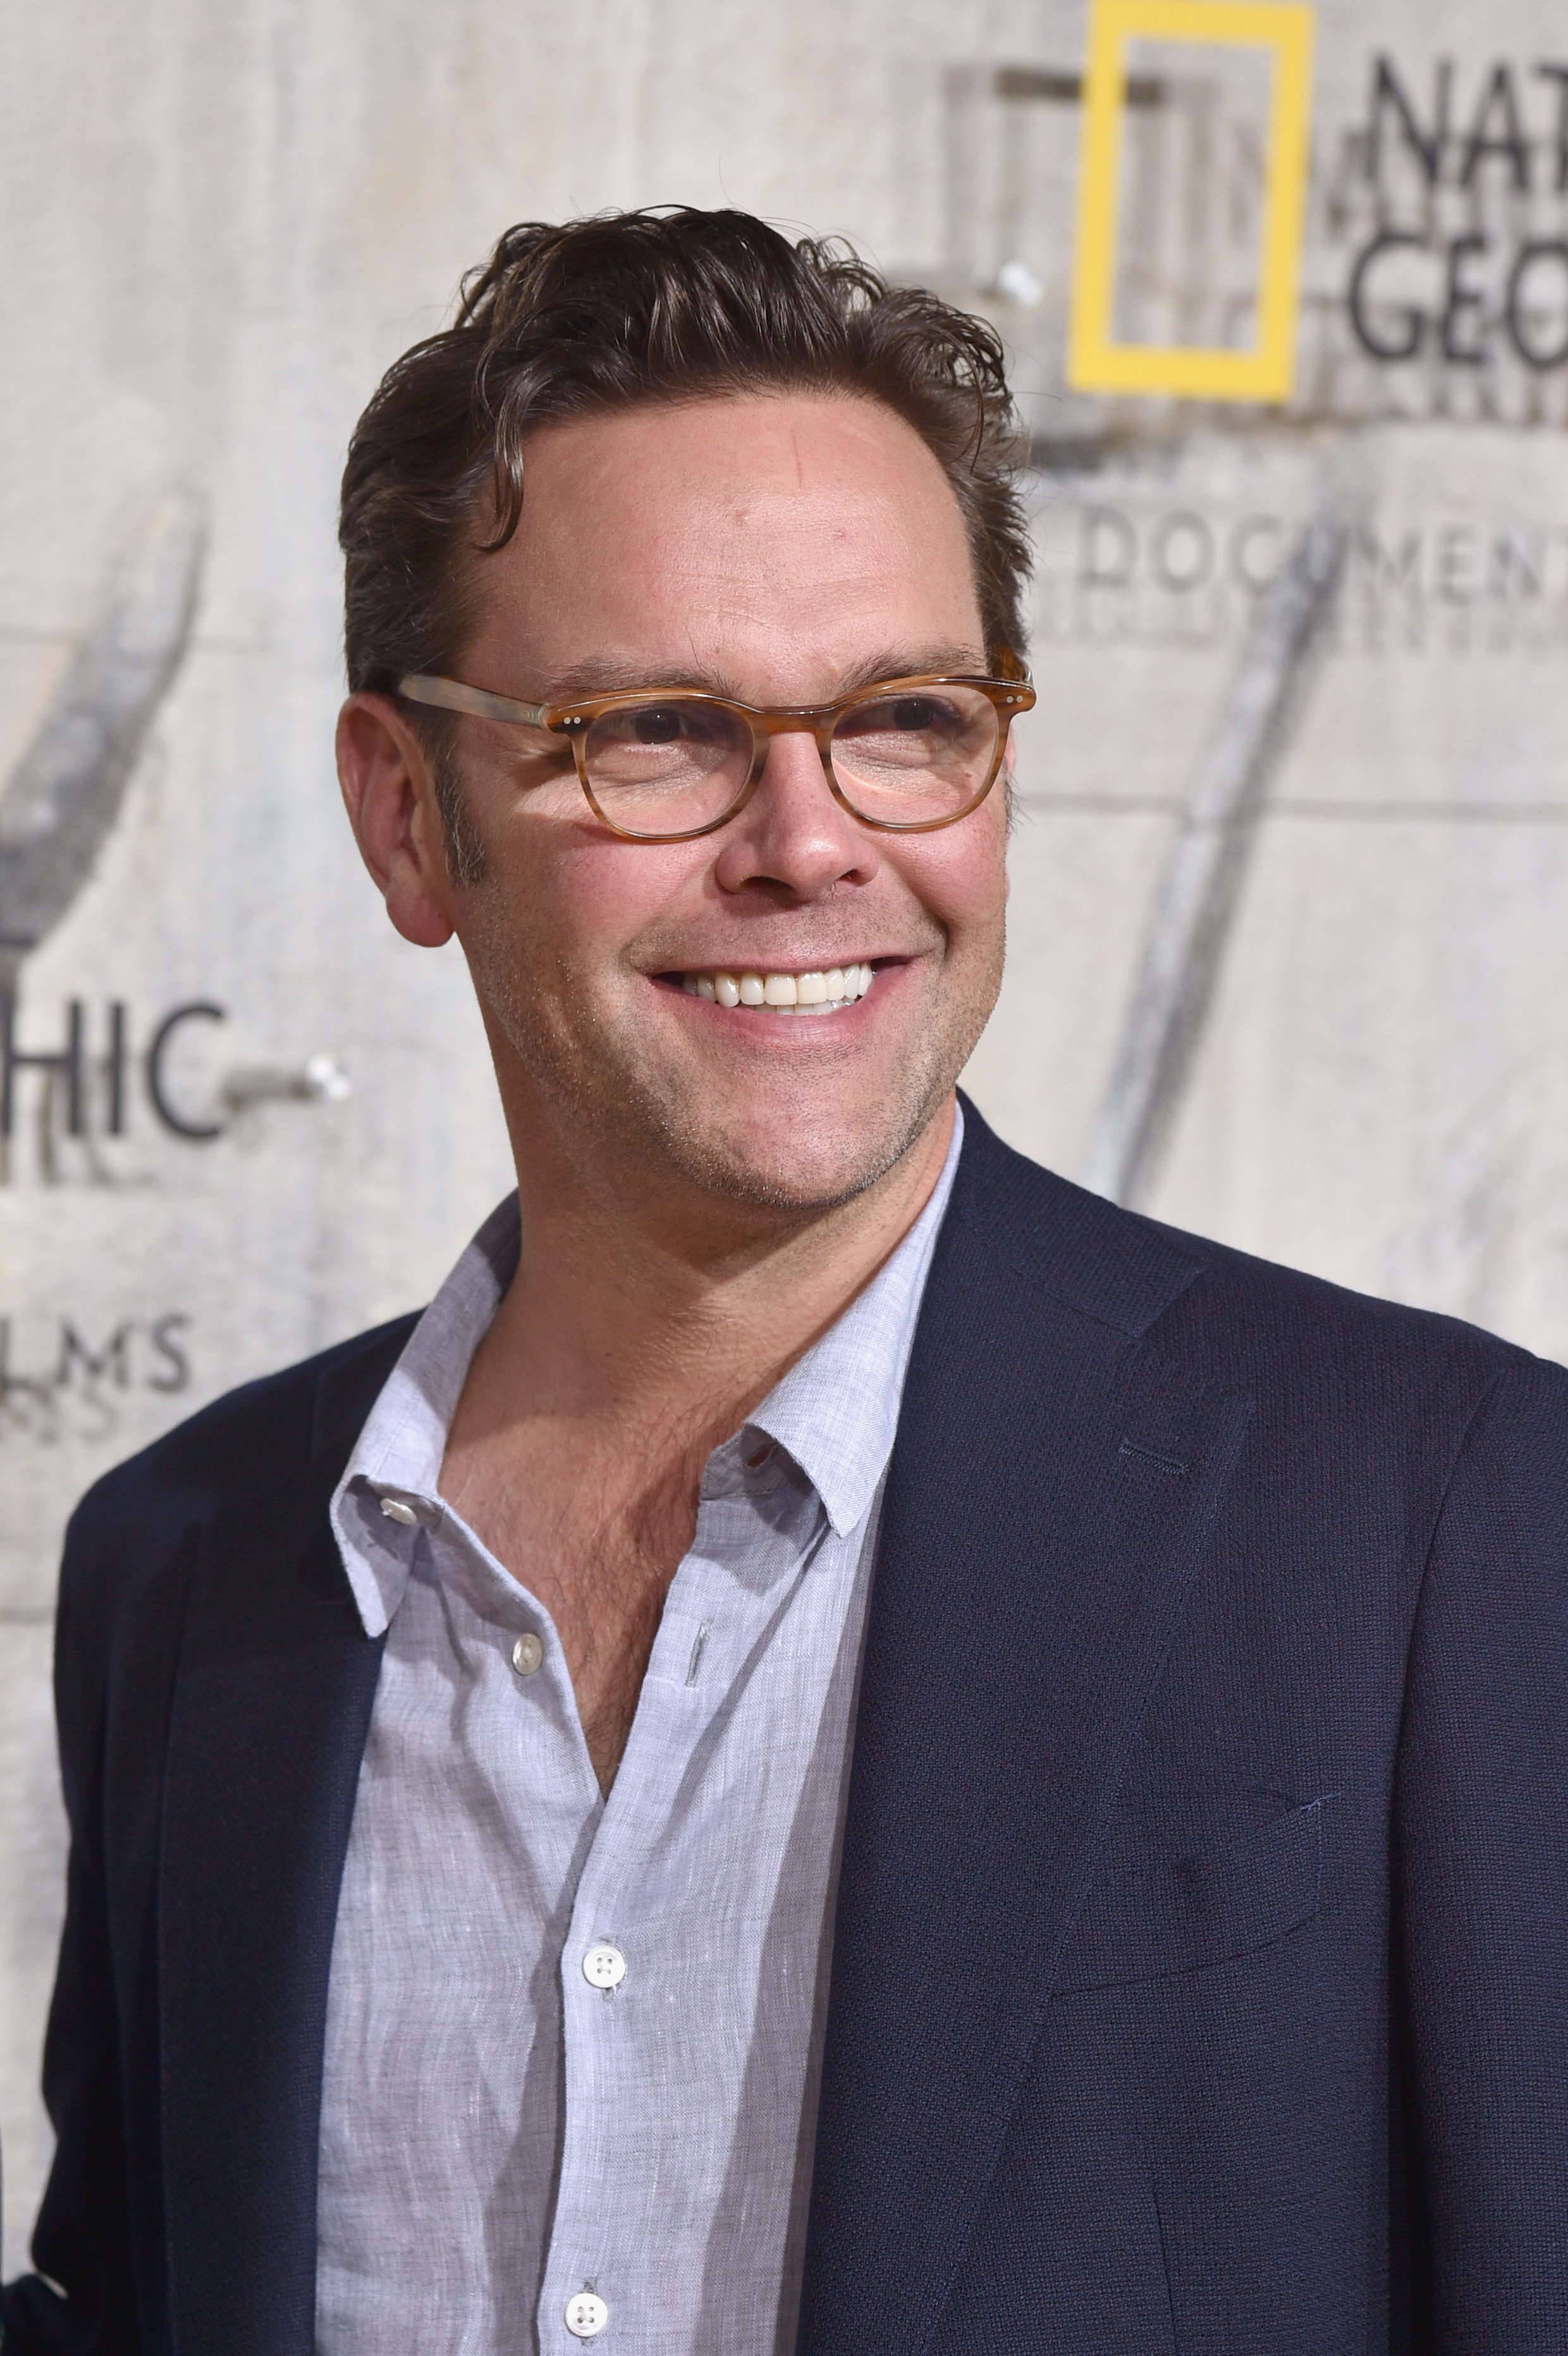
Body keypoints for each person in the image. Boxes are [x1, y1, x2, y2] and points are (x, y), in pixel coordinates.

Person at [5, 206, 1567, 2356]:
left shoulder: (1438, 1515)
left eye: (906, 715)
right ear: (404, 817)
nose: (810, 840)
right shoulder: (187, 1571)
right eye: (656, 731)